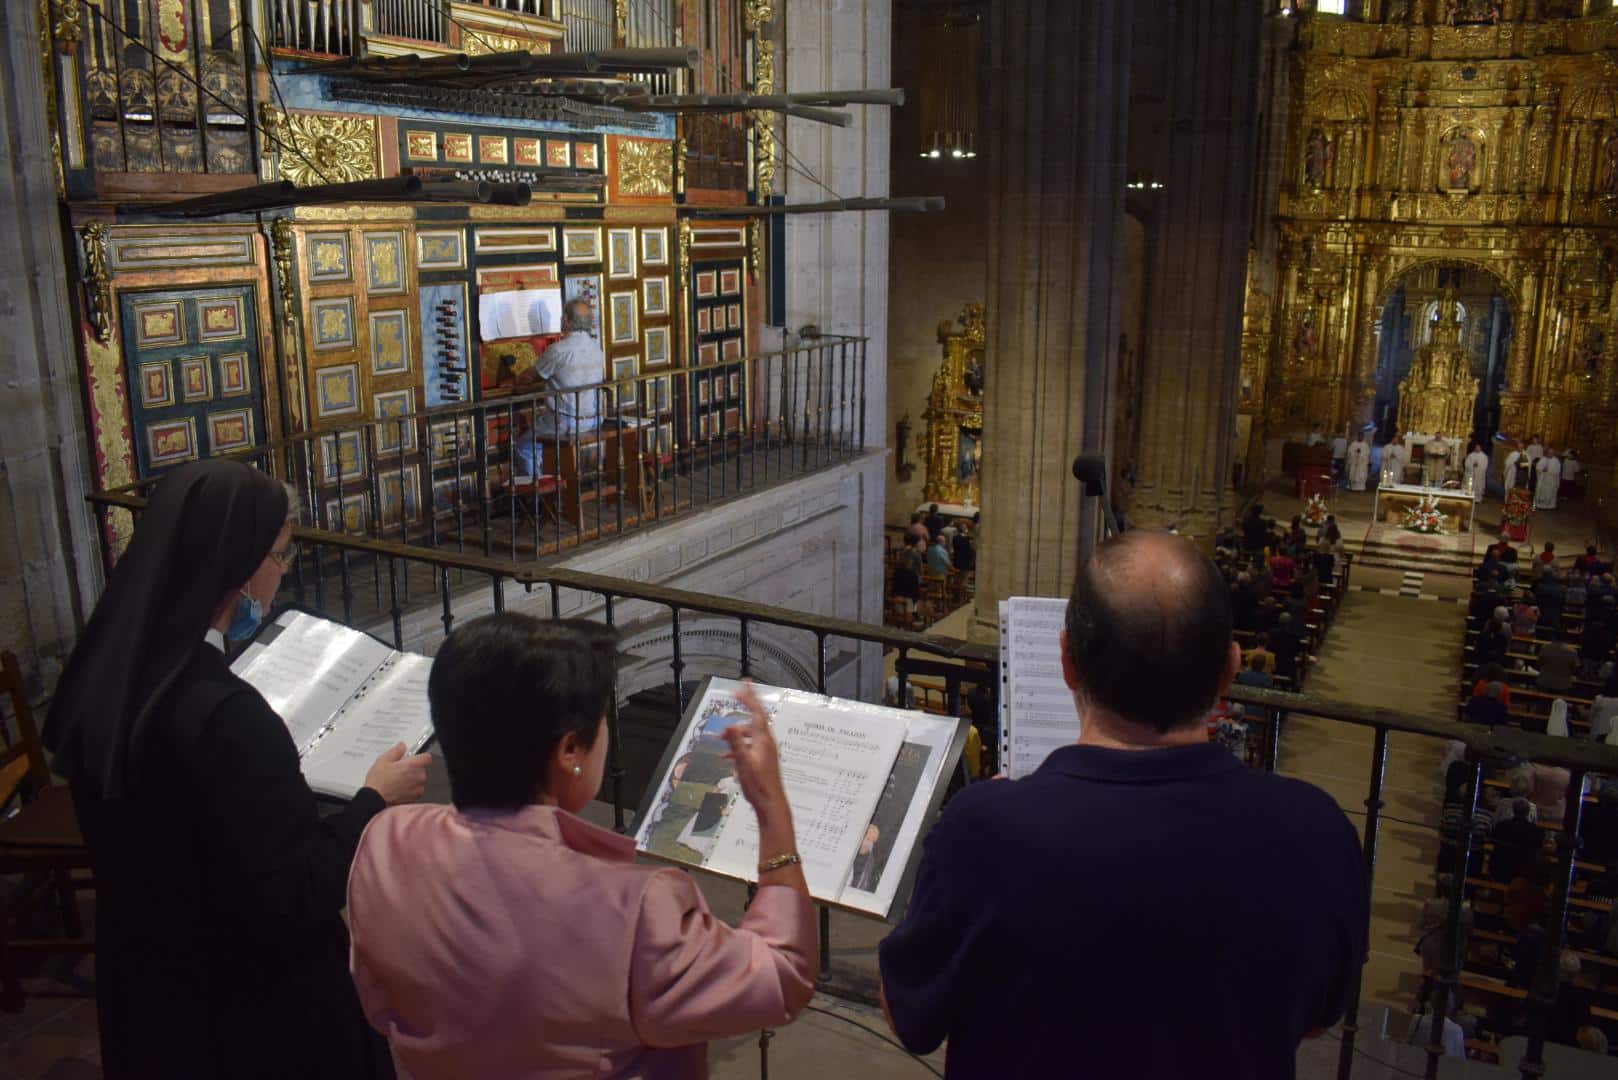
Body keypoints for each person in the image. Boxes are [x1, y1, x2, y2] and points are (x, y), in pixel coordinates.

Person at [878, 530, 1366, 1076]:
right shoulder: (1317, 833)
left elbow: (910, 1018)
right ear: (1230, 670)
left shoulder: (985, 831)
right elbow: (1319, 1015)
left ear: (1067, 662)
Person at [41, 460, 429, 1079]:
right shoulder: (228, 719)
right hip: (247, 1012)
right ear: (242, 567)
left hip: (147, 983)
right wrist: (372, 801)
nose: (282, 572)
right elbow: (291, 893)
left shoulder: (105, 679)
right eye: (281, 556)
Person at [347, 616, 816, 1078]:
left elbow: (380, 1002)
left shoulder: (386, 844)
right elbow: (783, 977)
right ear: (570, 750)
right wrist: (772, 807)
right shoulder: (635, 909)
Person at [516, 298, 604, 451]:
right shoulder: (597, 348)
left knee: (525, 446)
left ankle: (540, 475)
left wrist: (514, 380)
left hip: (569, 422)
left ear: (566, 320)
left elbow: (529, 377)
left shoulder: (558, 349)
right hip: (594, 419)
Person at [1535, 445, 1562, 510]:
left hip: (1551, 480)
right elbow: (1538, 468)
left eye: (1552, 453)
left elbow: (1557, 471)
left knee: (1550, 493)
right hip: (1543, 480)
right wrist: (1541, 470)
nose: (1550, 454)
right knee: (1542, 492)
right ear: (1547, 453)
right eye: (1549, 453)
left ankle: (1550, 506)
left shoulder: (1556, 461)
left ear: (1554, 453)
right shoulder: (1543, 459)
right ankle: (1540, 505)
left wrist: (1549, 471)